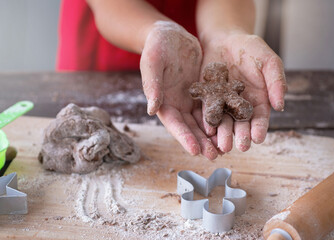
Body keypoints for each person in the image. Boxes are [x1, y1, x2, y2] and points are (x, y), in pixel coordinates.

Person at [57, 0, 287, 160]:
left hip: (192, 45)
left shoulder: (210, 84)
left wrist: (225, 33)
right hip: (115, 29)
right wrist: (153, 31)